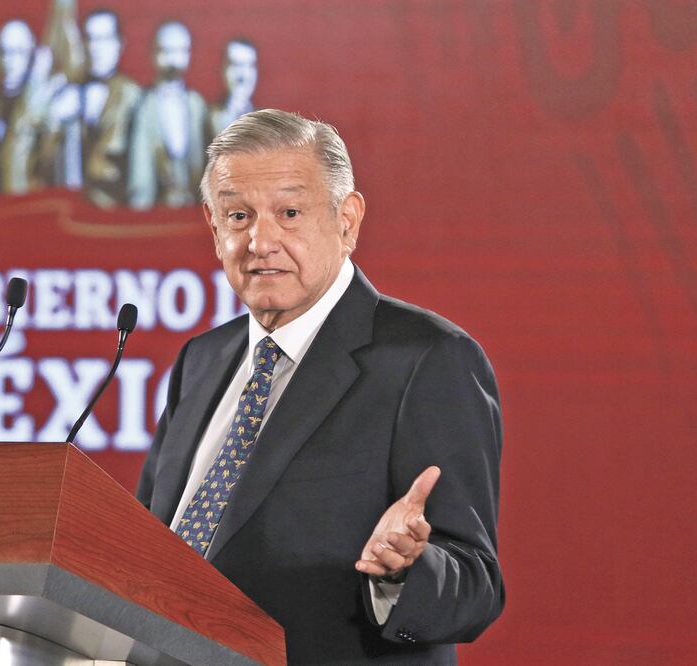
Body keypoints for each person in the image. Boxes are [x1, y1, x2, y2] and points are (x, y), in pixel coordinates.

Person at [136, 109, 504, 663]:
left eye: (289, 212)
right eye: (238, 216)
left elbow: (476, 584)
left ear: (347, 221)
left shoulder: (427, 359)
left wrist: (406, 569)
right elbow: (147, 546)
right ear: (214, 229)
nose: (260, 241)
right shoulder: (202, 359)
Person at [39, 9, 142, 206]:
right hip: (68, 210)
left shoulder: (133, 96)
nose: (96, 47)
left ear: (120, 44)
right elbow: (43, 164)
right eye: (91, 39)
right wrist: (54, 122)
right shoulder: (67, 94)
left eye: (104, 39)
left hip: (118, 209)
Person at [127, 21, 208, 210]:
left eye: (180, 51)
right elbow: (139, 174)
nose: (173, 61)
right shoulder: (143, 106)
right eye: (165, 51)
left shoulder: (197, 105)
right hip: (155, 211)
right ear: (153, 54)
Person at [0, 20, 36, 195]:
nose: (8, 61)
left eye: (18, 52)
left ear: (31, 56)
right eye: (3, 52)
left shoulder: (40, 109)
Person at [208, 39, 258, 137]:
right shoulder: (208, 118)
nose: (243, 75)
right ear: (223, 70)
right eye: (235, 65)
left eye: (250, 66)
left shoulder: (268, 124)